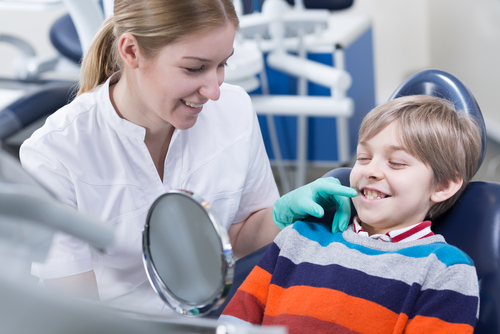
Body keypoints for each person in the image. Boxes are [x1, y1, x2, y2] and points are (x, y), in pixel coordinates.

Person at [19, 0, 355, 311]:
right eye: (195, 69)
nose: (214, 90)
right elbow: (78, 318)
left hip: (216, 310)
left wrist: (280, 216)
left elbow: (236, 239)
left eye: (222, 64)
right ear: (132, 51)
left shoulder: (234, 109)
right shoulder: (55, 155)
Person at [220, 95, 481, 334]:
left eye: (396, 163)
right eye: (364, 157)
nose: (371, 170)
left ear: (444, 185)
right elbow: (235, 322)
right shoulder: (298, 238)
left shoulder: (446, 270)